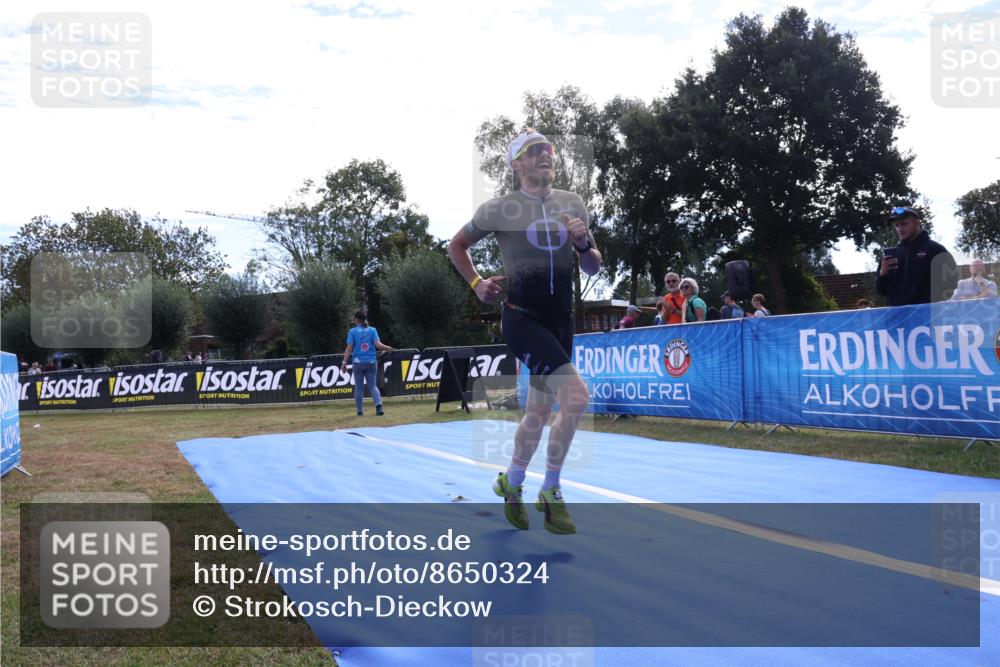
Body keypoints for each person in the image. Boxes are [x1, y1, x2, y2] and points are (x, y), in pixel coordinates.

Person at [447, 129, 602, 535]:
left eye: (549, 150)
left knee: (538, 411)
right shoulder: (498, 209)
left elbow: (592, 268)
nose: (546, 156)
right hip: (522, 318)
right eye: (535, 152)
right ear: (516, 165)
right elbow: (456, 245)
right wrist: (476, 283)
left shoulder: (573, 203)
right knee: (577, 395)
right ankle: (550, 488)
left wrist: (584, 245)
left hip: (561, 321)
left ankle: (511, 482)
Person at [875, 206, 956, 306]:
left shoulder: (935, 250)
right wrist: (882, 275)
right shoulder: (891, 255)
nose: (900, 229)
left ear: (917, 223)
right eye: (896, 225)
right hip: (896, 317)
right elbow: (881, 290)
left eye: (904, 224)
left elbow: (951, 285)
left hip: (926, 316)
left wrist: (927, 302)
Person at [339, 310, 394, 417]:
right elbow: (378, 345)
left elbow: (349, 349)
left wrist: (344, 362)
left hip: (358, 363)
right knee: (373, 386)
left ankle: (360, 412)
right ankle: (379, 407)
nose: (353, 320)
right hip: (371, 362)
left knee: (359, 388)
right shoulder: (372, 330)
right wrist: (387, 348)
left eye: (354, 318)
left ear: (357, 320)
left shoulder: (352, 332)